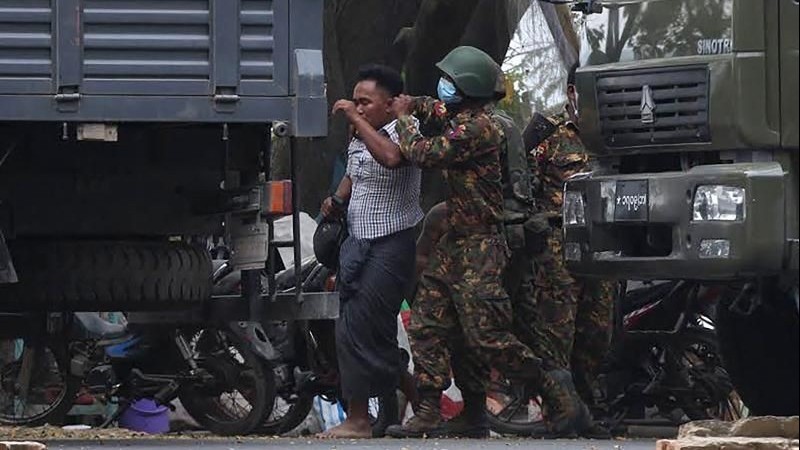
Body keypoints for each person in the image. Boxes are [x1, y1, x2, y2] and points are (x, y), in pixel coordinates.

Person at [385, 46, 590, 439]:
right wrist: (417, 104)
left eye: (449, 82)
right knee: (429, 323)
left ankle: (550, 385)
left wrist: (403, 119)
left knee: (487, 336)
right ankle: (432, 409)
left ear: (466, 88)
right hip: (456, 242)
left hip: (484, 246)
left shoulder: (480, 128)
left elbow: (424, 153)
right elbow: (437, 111)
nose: (442, 88)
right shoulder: (466, 117)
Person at [317, 64, 424, 439]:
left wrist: (354, 120)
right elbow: (356, 170)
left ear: (391, 104)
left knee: (359, 329)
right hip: (358, 244)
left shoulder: (405, 132)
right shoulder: (361, 135)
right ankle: (423, 407)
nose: (358, 108)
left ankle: (359, 419)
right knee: (367, 332)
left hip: (390, 246)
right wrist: (337, 198)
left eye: (366, 102)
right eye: (355, 101)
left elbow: (391, 159)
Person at [524, 67, 616, 420]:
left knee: (597, 330)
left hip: (604, 243)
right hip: (558, 243)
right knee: (557, 329)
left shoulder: (610, 130)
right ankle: (559, 409)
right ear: (575, 91)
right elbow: (522, 185)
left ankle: (588, 405)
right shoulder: (548, 130)